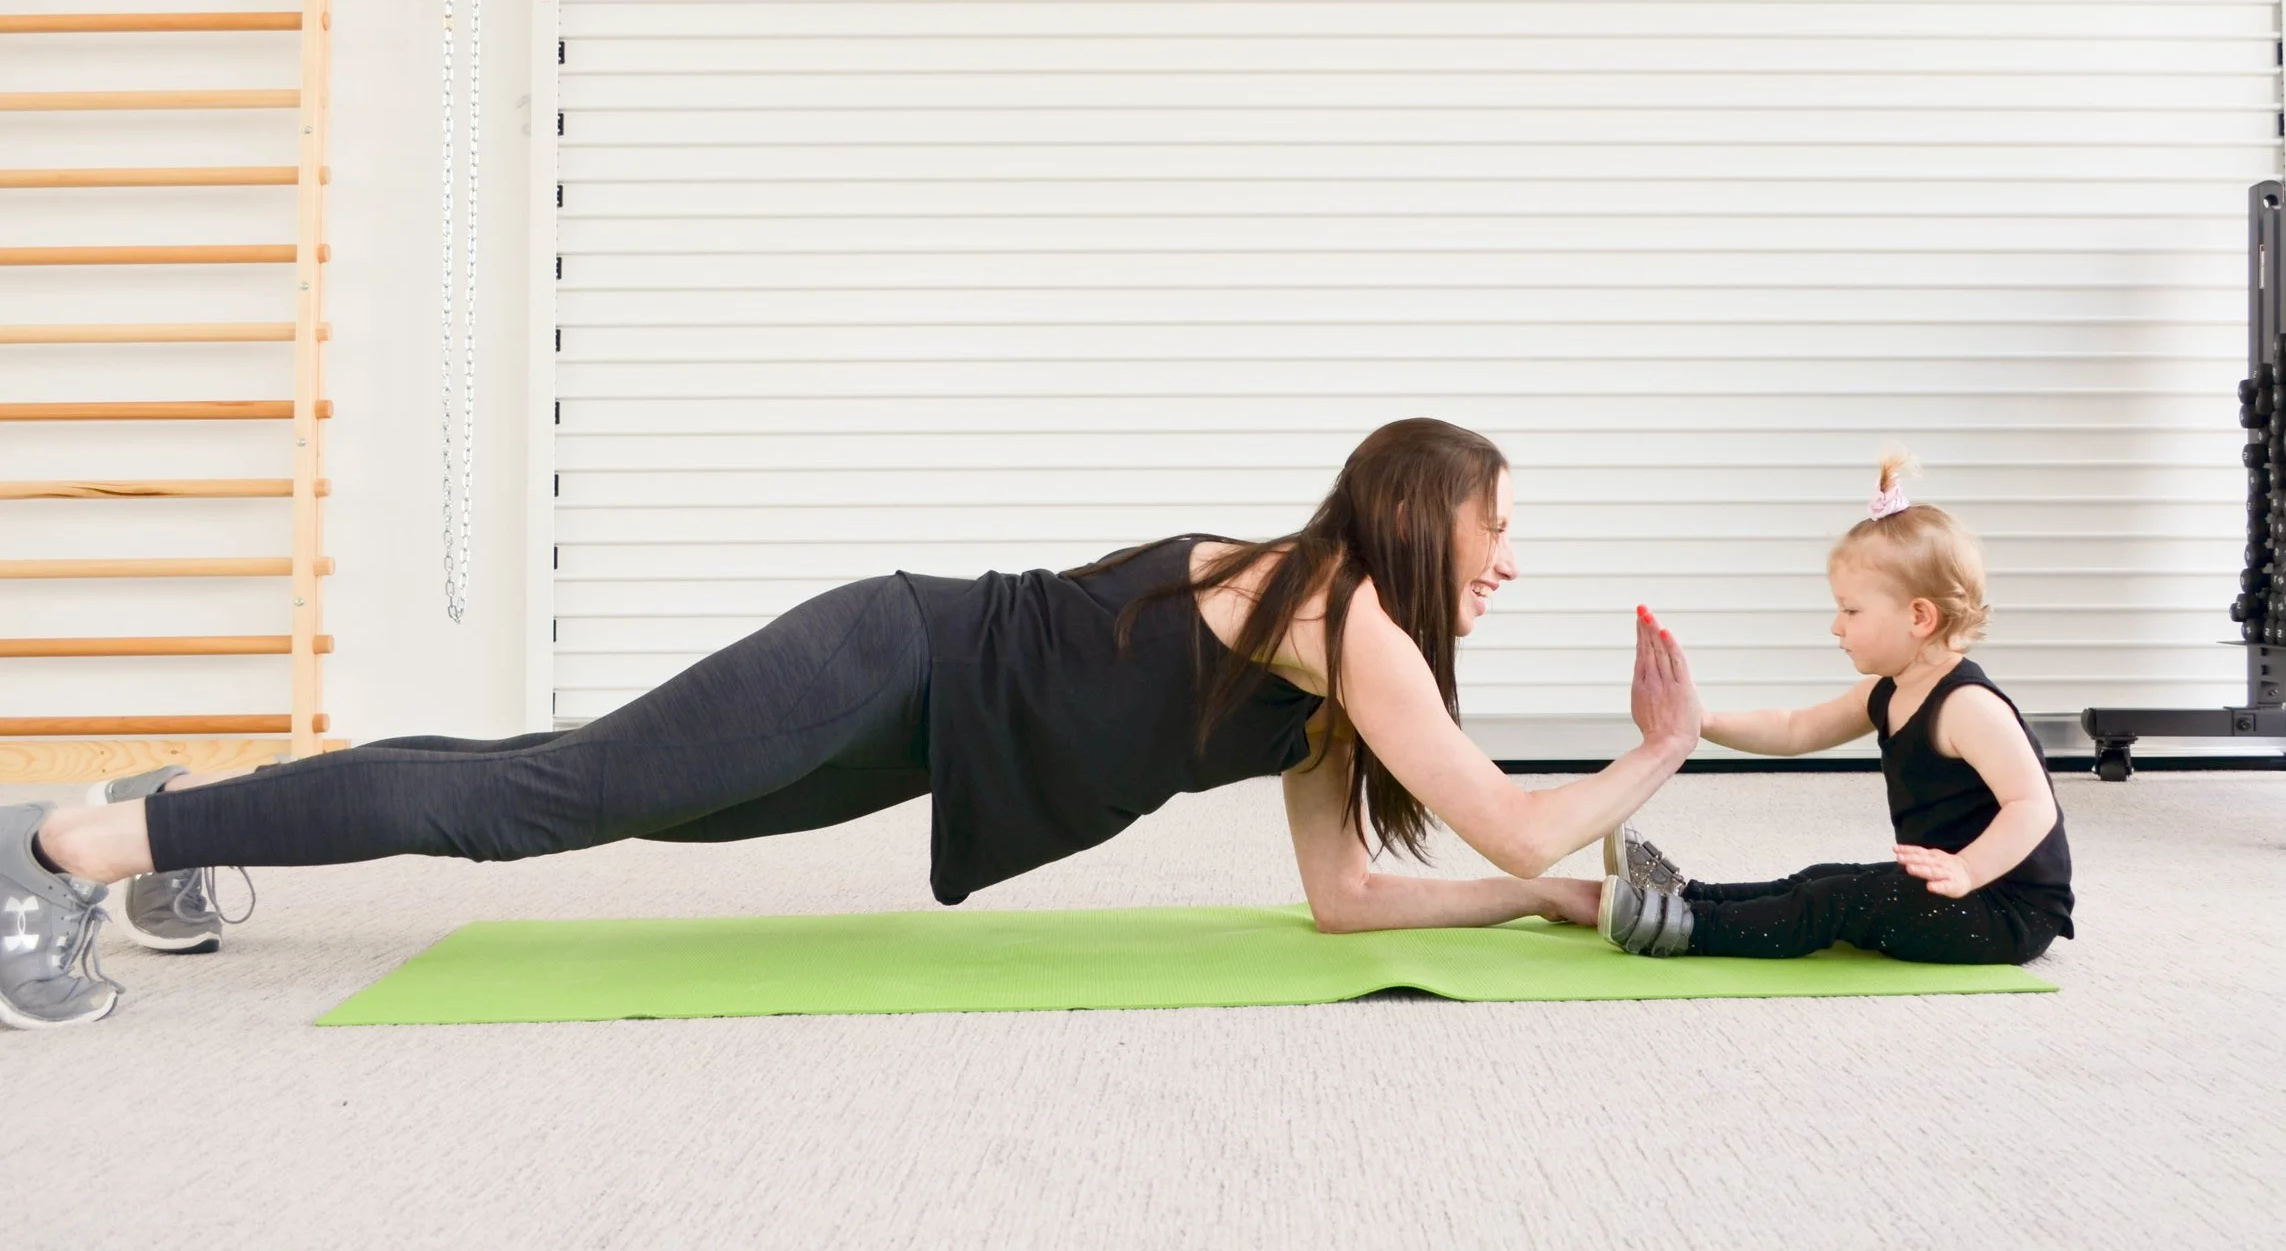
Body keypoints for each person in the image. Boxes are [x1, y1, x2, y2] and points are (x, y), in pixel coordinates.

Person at [1, 418, 1704, 1029]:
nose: (1511, 564)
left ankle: (174, 811)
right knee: (543, 798)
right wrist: (1655, 757)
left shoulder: (1327, 683)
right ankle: (74, 842)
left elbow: (1355, 901)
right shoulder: (1343, 610)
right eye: (1497, 533)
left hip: (916, 738)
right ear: (1423, 522)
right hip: (898, 661)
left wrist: (1545, 901)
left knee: (557, 786)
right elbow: (1496, 807)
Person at [1596, 453, 2076, 964]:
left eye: (1851, 610)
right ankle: (1689, 895)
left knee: (1837, 900)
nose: (1836, 626)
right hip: (1954, 887)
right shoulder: (1889, 689)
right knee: (1822, 878)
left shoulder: (1967, 705)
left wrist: (1970, 870)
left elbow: (2033, 806)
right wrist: (1701, 722)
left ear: (1918, 617)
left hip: (2005, 911)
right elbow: (1795, 729)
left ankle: (1688, 929)